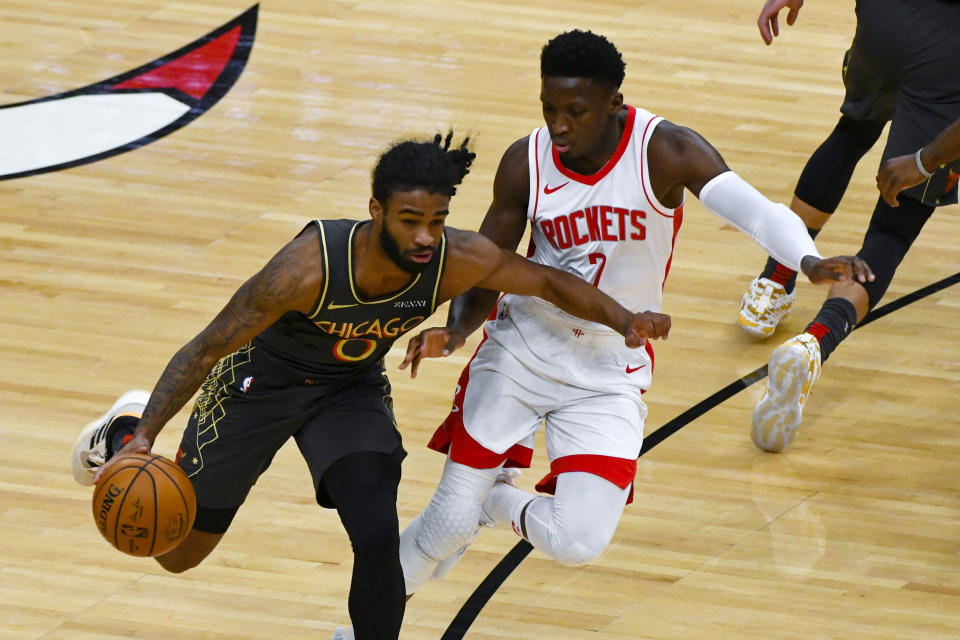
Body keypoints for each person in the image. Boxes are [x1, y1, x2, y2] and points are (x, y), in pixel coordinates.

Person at [71, 132, 676, 640]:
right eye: (411, 221)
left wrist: (625, 320)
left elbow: (547, 282)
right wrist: (148, 432)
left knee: (378, 534)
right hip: (261, 385)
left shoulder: (454, 257)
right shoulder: (305, 268)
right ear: (375, 209)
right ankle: (122, 425)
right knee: (174, 551)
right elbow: (208, 346)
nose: (424, 237)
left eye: (436, 221)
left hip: (348, 391)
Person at [395, 30, 872, 602]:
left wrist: (810, 261)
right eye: (549, 109)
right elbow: (489, 264)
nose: (559, 125)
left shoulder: (666, 150)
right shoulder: (527, 161)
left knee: (576, 541)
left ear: (613, 104)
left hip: (607, 366)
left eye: (575, 111)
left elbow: (758, 213)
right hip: (522, 348)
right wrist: (454, 332)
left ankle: (491, 501)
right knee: (444, 525)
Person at [744, 0, 960, 453]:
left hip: (884, 21)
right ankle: (813, 344)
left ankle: (775, 279)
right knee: (895, 226)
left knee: (853, 130)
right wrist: (926, 160)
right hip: (948, 51)